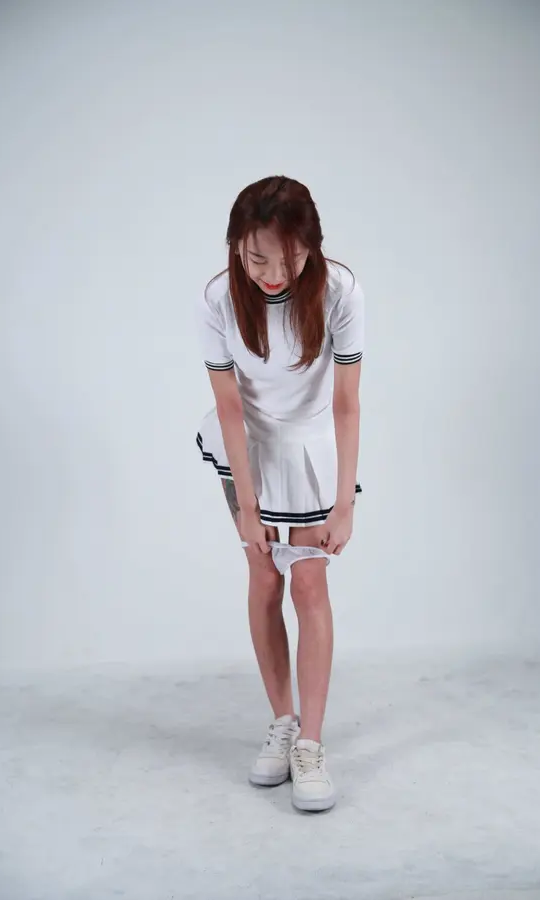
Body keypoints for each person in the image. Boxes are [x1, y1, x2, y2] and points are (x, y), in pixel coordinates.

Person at [195, 175, 364, 812]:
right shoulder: (217, 298)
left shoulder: (341, 290)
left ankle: (311, 746)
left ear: (312, 247)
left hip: (313, 444)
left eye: (289, 259)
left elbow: (346, 403)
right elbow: (229, 407)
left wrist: (344, 503)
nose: (272, 274)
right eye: (256, 257)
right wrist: (247, 508)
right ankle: (283, 723)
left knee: (309, 584)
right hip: (249, 445)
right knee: (265, 580)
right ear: (236, 247)